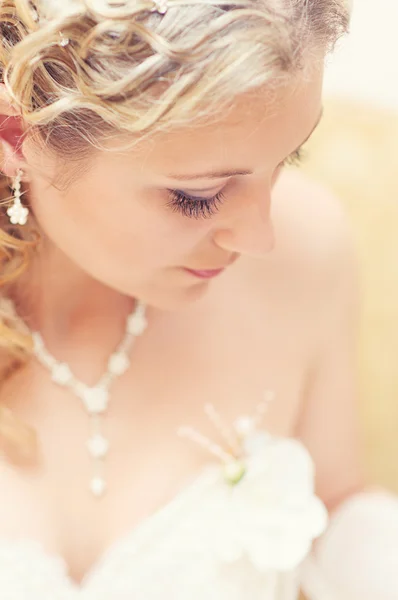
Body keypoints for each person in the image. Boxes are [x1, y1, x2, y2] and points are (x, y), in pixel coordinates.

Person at [0, 1, 397, 599]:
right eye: (198, 196)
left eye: (288, 158)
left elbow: (335, 507)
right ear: (16, 134)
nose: (259, 236)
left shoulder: (306, 248)